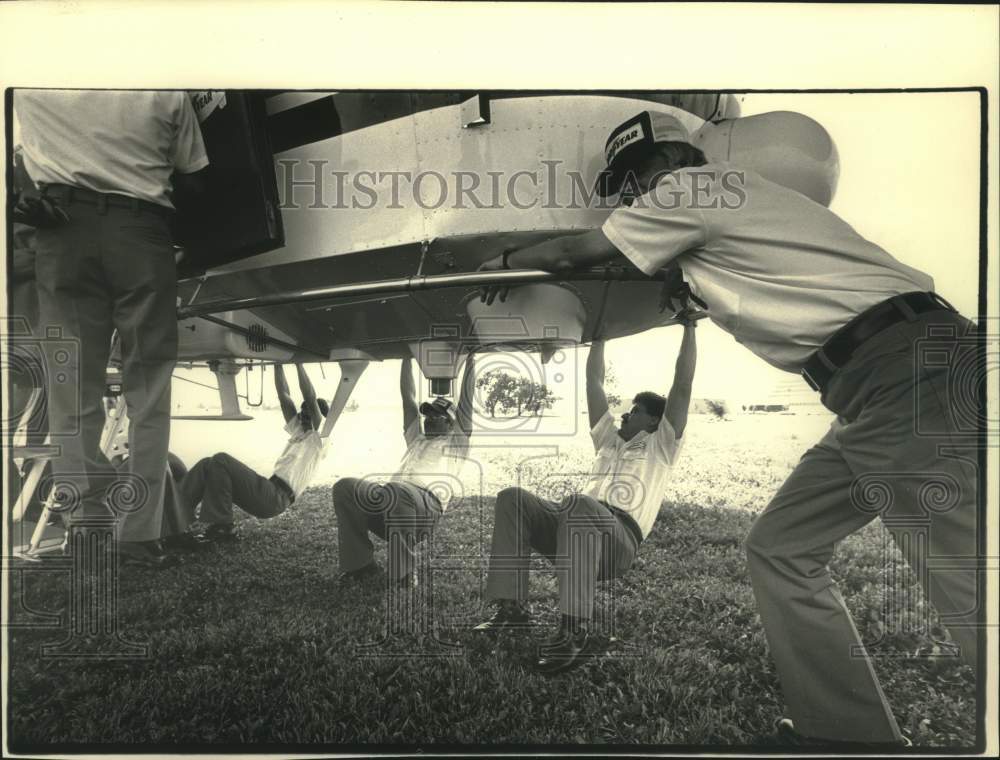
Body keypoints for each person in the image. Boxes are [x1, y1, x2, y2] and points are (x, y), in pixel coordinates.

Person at [478, 110, 979, 747]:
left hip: (908, 373)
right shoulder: (737, 206)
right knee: (780, 548)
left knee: (967, 578)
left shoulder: (690, 190)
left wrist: (504, 260)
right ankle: (847, 735)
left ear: (666, 164)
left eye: (633, 181)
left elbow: (582, 250)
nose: (633, 199)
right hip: (872, 387)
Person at [13, 90, 209, 568]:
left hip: (59, 227)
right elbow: (198, 181)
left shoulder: (30, 82)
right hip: (142, 230)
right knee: (149, 386)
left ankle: (85, 524)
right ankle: (139, 532)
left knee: (71, 386)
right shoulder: (165, 89)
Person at [474, 325, 696, 675]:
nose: (625, 413)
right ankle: (511, 610)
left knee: (578, 504)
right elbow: (594, 384)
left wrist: (690, 327)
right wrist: (600, 333)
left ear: (655, 420)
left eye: (635, 410)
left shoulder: (662, 446)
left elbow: (682, 386)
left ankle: (573, 631)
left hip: (617, 542)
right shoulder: (609, 440)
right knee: (512, 498)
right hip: (573, 527)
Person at [332, 353, 475, 589]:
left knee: (398, 490)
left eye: (436, 416)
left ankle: (404, 574)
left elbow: (467, 403)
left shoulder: (456, 443)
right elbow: (407, 399)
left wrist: (471, 359)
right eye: (427, 415)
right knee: (345, 487)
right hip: (391, 504)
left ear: (451, 423)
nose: (429, 419)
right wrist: (406, 356)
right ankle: (360, 565)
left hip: (423, 513)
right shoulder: (416, 439)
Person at [180, 364, 329, 541]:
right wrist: (278, 363)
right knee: (208, 464)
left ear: (320, 418)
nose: (303, 416)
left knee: (221, 460)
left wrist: (298, 363)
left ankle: (223, 527)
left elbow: (310, 397)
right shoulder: (299, 431)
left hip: (276, 497)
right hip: (268, 489)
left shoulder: (319, 439)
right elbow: (284, 395)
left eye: (308, 414)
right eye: (302, 412)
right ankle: (174, 518)